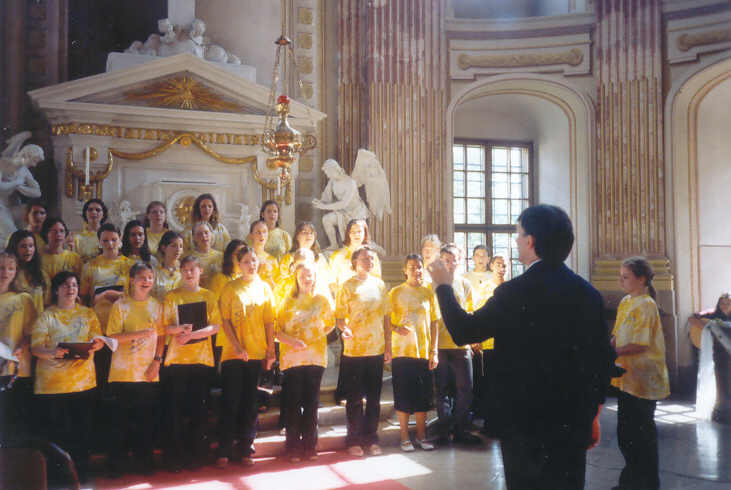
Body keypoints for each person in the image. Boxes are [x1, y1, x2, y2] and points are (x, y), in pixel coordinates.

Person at [428, 204, 616, 490]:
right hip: (571, 418)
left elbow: (464, 330)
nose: (515, 241)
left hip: (522, 422)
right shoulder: (587, 294)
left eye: (518, 234)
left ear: (531, 241)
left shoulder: (512, 293)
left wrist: (443, 287)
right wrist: (594, 415)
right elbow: (600, 361)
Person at [31, 271, 104, 481]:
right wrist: (53, 352)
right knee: (57, 434)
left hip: (83, 382)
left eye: (74, 285)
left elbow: (98, 340)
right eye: (65, 285)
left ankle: (81, 475)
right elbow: (35, 348)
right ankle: (57, 477)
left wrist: (96, 345)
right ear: (56, 290)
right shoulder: (46, 316)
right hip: (53, 385)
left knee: (82, 432)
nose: (71, 289)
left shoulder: (88, 313)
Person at [611, 257, 670, 490]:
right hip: (627, 377)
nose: (621, 281)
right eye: (621, 277)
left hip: (643, 380)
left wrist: (612, 352)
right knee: (627, 435)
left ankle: (646, 484)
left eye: (626, 277)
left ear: (641, 279)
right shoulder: (626, 301)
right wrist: (609, 346)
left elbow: (640, 344)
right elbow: (617, 335)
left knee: (641, 437)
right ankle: (630, 482)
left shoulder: (646, 304)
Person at [216, 245, 276, 468]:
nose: (251, 265)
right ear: (238, 264)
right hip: (233, 353)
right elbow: (225, 321)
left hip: (256, 352)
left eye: (254, 261)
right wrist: (237, 346)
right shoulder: (230, 288)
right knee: (230, 401)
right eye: (246, 262)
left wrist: (270, 349)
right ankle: (224, 449)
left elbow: (269, 321)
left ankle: (245, 448)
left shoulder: (265, 288)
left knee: (250, 403)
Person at [106, 262, 165, 476]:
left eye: (150, 277)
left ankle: (145, 463)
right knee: (119, 423)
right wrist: (140, 334)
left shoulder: (157, 305)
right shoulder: (120, 306)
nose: (146, 281)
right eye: (142, 277)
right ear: (132, 280)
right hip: (122, 374)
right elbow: (112, 337)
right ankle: (117, 465)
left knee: (145, 422)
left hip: (147, 372)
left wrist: (157, 362)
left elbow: (162, 337)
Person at [162, 255, 220, 471]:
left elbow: (216, 326)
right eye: (185, 269)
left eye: (192, 269)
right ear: (180, 271)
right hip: (176, 360)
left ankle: (197, 455)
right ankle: (175, 457)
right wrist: (178, 330)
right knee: (175, 411)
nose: (188, 273)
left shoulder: (208, 296)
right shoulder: (172, 296)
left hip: (201, 360)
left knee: (199, 410)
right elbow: (164, 327)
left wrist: (192, 335)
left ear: (200, 271)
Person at [276, 261, 335, 462]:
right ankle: (293, 447)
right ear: (296, 278)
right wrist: (292, 341)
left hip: (315, 358)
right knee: (292, 403)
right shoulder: (287, 301)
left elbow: (330, 325)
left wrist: (314, 336)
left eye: (310, 275)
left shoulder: (322, 300)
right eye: (302, 275)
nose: (306, 279)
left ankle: (310, 446)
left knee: (311, 404)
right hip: (292, 358)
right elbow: (277, 331)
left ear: (315, 277)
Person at [335, 246, 391, 457]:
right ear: (355, 262)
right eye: (364, 258)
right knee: (355, 398)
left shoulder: (380, 284)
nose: (369, 262)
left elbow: (386, 317)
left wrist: (388, 346)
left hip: (376, 348)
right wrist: (344, 329)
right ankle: (354, 440)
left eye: (371, 258)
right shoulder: (347, 286)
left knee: (374, 399)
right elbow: (339, 318)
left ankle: (371, 439)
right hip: (354, 349)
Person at [389, 254, 438, 452]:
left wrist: (434, 350)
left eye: (419, 267)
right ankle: (404, 438)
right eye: (412, 267)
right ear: (404, 270)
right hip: (401, 351)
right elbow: (385, 321)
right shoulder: (395, 292)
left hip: (423, 352)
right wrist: (396, 328)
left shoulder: (428, 293)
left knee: (422, 397)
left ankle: (421, 436)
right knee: (403, 395)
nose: (416, 270)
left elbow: (434, 322)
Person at [433, 244, 479, 445]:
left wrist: (473, 339)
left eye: (454, 260)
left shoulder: (464, 284)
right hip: (440, 345)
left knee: (465, 389)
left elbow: (471, 311)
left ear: (460, 261)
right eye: (446, 260)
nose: (451, 264)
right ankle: (444, 431)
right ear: (441, 261)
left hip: (461, 346)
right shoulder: (433, 284)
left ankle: (461, 430)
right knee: (442, 390)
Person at [0, 252, 37, 442]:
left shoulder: (23, 299)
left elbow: (30, 333)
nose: (5, 272)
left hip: (17, 368)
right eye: (1, 268)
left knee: (15, 424)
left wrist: (21, 347)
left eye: (10, 268)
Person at [330, 218, 382, 292]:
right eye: (352, 232)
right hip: (345, 296)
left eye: (359, 231)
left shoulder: (373, 256)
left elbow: (377, 280)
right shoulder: (338, 255)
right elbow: (332, 282)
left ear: (365, 233)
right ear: (348, 234)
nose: (356, 235)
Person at [7, 230, 49, 313]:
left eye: (31, 246)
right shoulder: (6, 274)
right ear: (14, 248)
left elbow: (47, 304)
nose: (28, 250)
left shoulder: (42, 275)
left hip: (38, 319)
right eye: (23, 246)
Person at [190, 221, 223, 289]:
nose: (204, 236)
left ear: (211, 234)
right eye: (199, 234)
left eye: (206, 233)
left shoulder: (221, 256)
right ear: (194, 238)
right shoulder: (189, 258)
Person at [73, 199, 108, 263]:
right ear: (85, 213)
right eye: (90, 210)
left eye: (98, 210)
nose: (94, 212)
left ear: (103, 214)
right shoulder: (77, 238)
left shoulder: (109, 236)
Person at [248, 219, 279, 289]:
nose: (262, 235)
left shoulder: (273, 260)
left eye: (264, 232)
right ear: (251, 235)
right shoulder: (245, 257)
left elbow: (276, 286)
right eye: (258, 232)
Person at [152, 230, 183, 301]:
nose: (178, 249)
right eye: (173, 246)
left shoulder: (185, 270)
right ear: (164, 248)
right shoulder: (154, 273)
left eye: (181, 246)